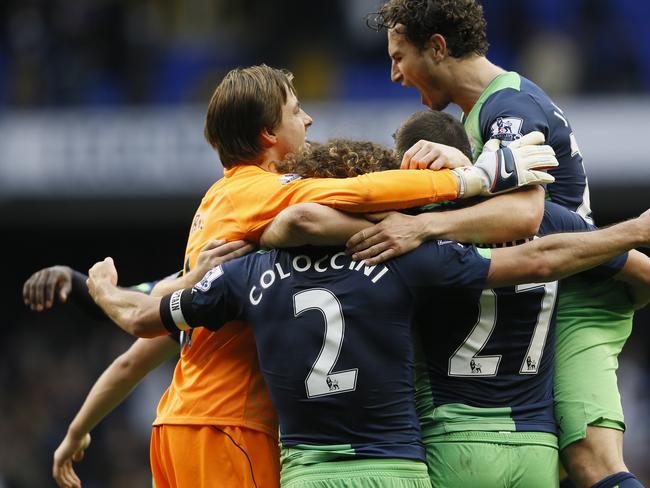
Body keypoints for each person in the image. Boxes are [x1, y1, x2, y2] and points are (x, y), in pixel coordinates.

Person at [85, 190, 650, 488]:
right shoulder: (412, 256)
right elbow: (540, 258)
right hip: (447, 459)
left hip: (315, 468)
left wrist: (103, 289)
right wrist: (630, 235)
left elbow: (146, 320)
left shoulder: (248, 268)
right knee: (601, 466)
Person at [263, 118, 649, 487]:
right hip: (535, 445)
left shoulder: (411, 227)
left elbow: (310, 220)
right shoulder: (551, 221)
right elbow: (639, 274)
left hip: (452, 438)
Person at [358, 2, 644, 486]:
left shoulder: (507, 109)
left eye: (398, 57)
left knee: (592, 461)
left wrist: (424, 226)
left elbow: (525, 213)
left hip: (585, 294)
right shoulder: (484, 113)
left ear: (438, 48)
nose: (394, 75)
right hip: (561, 278)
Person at [22, 240, 253, 488]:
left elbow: (132, 352)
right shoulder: (251, 278)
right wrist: (78, 281)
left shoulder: (209, 287)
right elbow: (139, 308)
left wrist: (76, 433)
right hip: (234, 440)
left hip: (177, 438)